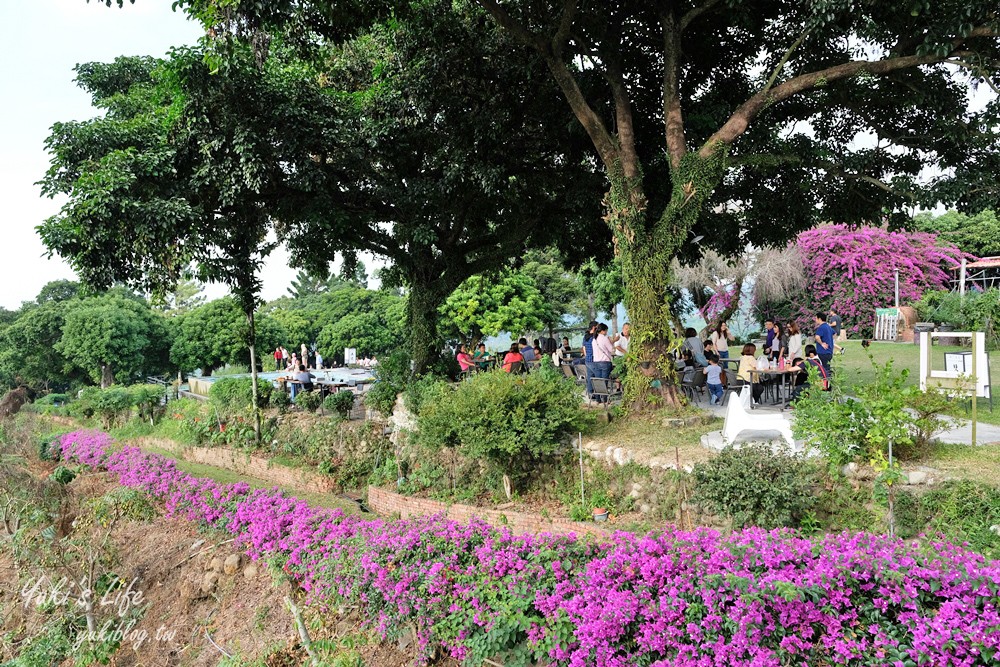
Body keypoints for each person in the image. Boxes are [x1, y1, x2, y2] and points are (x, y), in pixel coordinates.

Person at [591, 323, 615, 401]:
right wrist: (611, 341)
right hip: (605, 362)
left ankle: (598, 399)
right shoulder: (604, 339)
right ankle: (604, 399)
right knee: (604, 381)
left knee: (598, 381)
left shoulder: (594, 339)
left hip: (596, 362)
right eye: (606, 331)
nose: (606, 332)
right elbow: (611, 350)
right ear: (603, 331)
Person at [813, 312, 835, 379]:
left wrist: (822, 343)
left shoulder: (821, 327)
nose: (815, 320)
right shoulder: (828, 326)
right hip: (829, 351)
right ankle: (829, 383)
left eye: (816, 318)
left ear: (819, 319)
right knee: (827, 368)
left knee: (823, 369)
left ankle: (825, 384)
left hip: (823, 352)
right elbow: (834, 333)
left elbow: (817, 337)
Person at [582, 320, 598, 398]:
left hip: (587, 359)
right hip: (594, 359)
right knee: (597, 377)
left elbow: (584, 348)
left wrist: (586, 356)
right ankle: (599, 393)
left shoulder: (585, 336)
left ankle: (590, 393)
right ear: (594, 327)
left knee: (590, 377)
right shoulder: (594, 337)